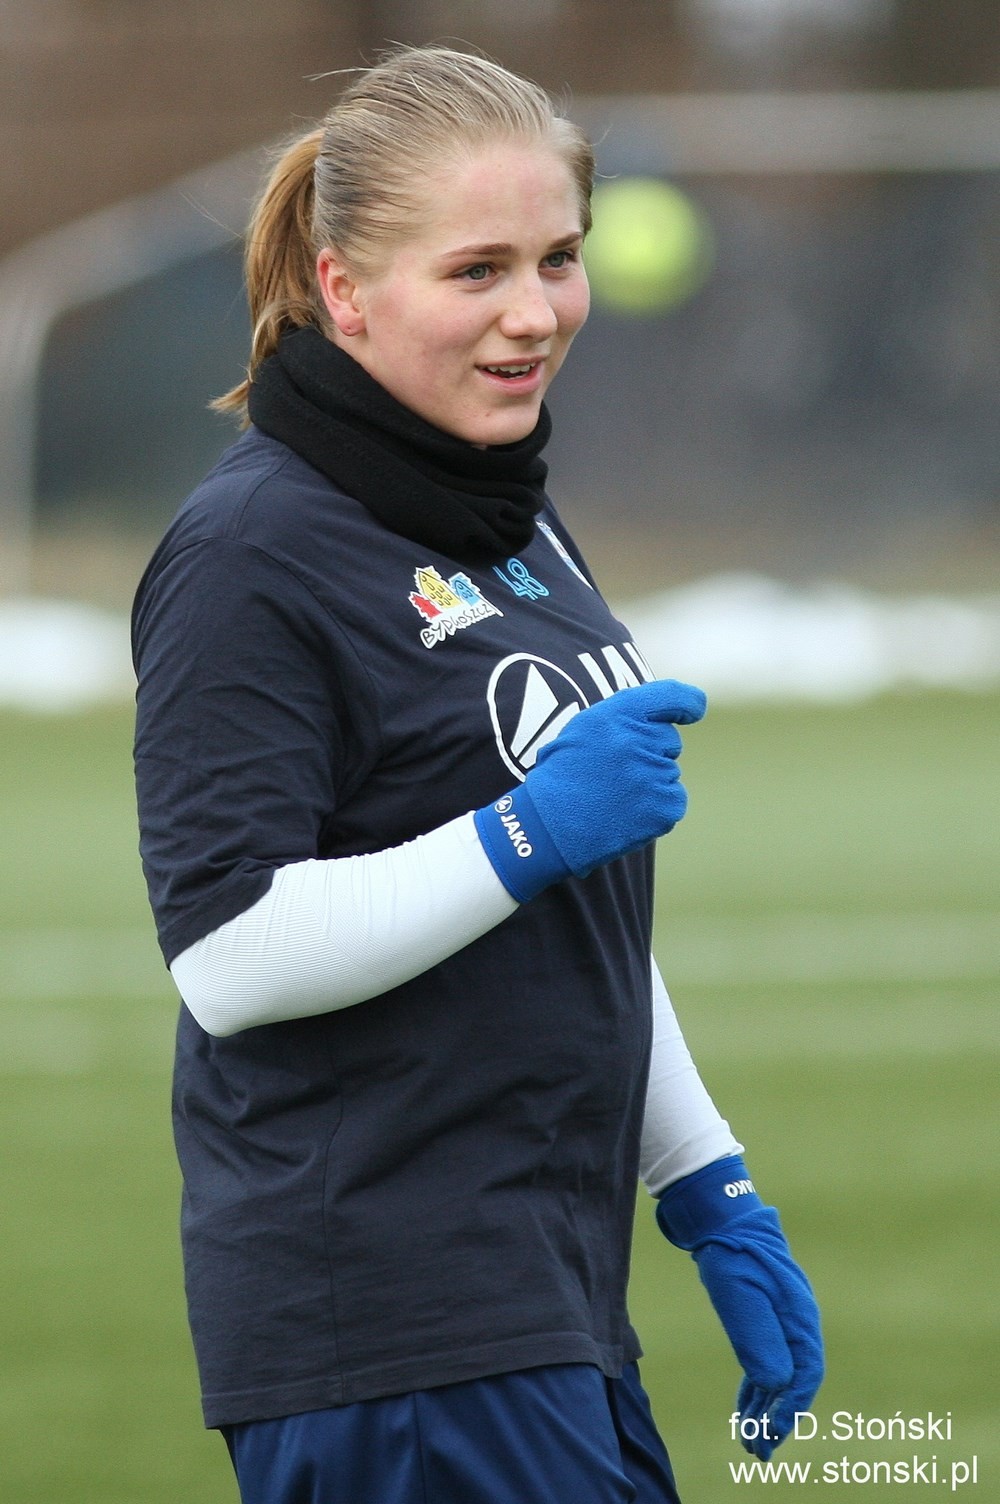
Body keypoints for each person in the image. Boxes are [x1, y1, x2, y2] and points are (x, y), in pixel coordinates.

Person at [132, 45, 823, 1504]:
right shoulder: (251, 553)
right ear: (343, 290)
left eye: (559, 258)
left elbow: (573, 910)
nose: (535, 312)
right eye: (477, 272)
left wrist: (708, 1181)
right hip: (392, 1332)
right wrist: (525, 829)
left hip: (550, 1295)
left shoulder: (506, 509)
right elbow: (230, 954)